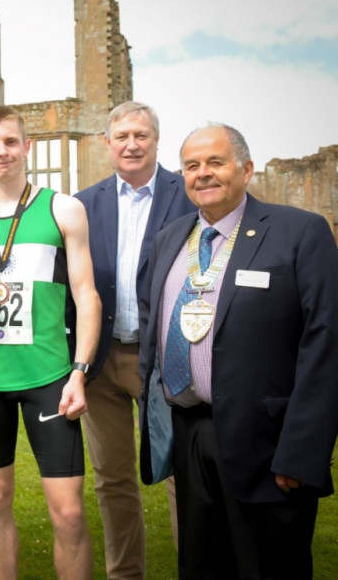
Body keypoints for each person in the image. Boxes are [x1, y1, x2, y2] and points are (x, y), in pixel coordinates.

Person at [138, 123, 338, 578]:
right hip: (190, 435)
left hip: (269, 447)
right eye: (191, 165)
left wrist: (301, 453)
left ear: (246, 169)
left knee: (267, 567)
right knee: (200, 566)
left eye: (215, 162)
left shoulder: (299, 233)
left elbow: (326, 343)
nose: (202, 174)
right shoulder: (171, 238)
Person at [0, 105, 101, 580]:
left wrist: (79, 371)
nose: (2, 152)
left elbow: (87, 295)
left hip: (50, 376)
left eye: (10, 142)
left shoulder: (63, 208)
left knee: (69, 512)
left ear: (26, 146)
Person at [71, 101, 191, 578]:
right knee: (112, 479)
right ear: (107, 143)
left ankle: (196, 568)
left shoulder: (186, 194)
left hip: (165, 359)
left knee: (184, 474)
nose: (131, 144)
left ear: (156, 140)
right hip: (102, 362)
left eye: (141, 135)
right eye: (121, 136)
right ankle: (125, 574)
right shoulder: (84, 202)